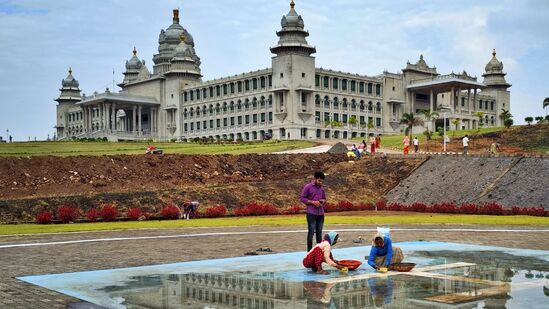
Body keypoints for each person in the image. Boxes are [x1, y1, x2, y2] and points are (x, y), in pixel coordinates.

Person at [300, 171, 327, 251]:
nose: (320, 182)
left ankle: (318, 251)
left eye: (322, 181)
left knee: (319, 233)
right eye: (319, 180)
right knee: (311, 232)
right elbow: (302, 198)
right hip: (311, 213)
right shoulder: (308, 187)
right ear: (315, 179)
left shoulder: (322, 188)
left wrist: (322, 201)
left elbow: (324, 199)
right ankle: (309, 251)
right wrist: (313, 202)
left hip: (320, 213)